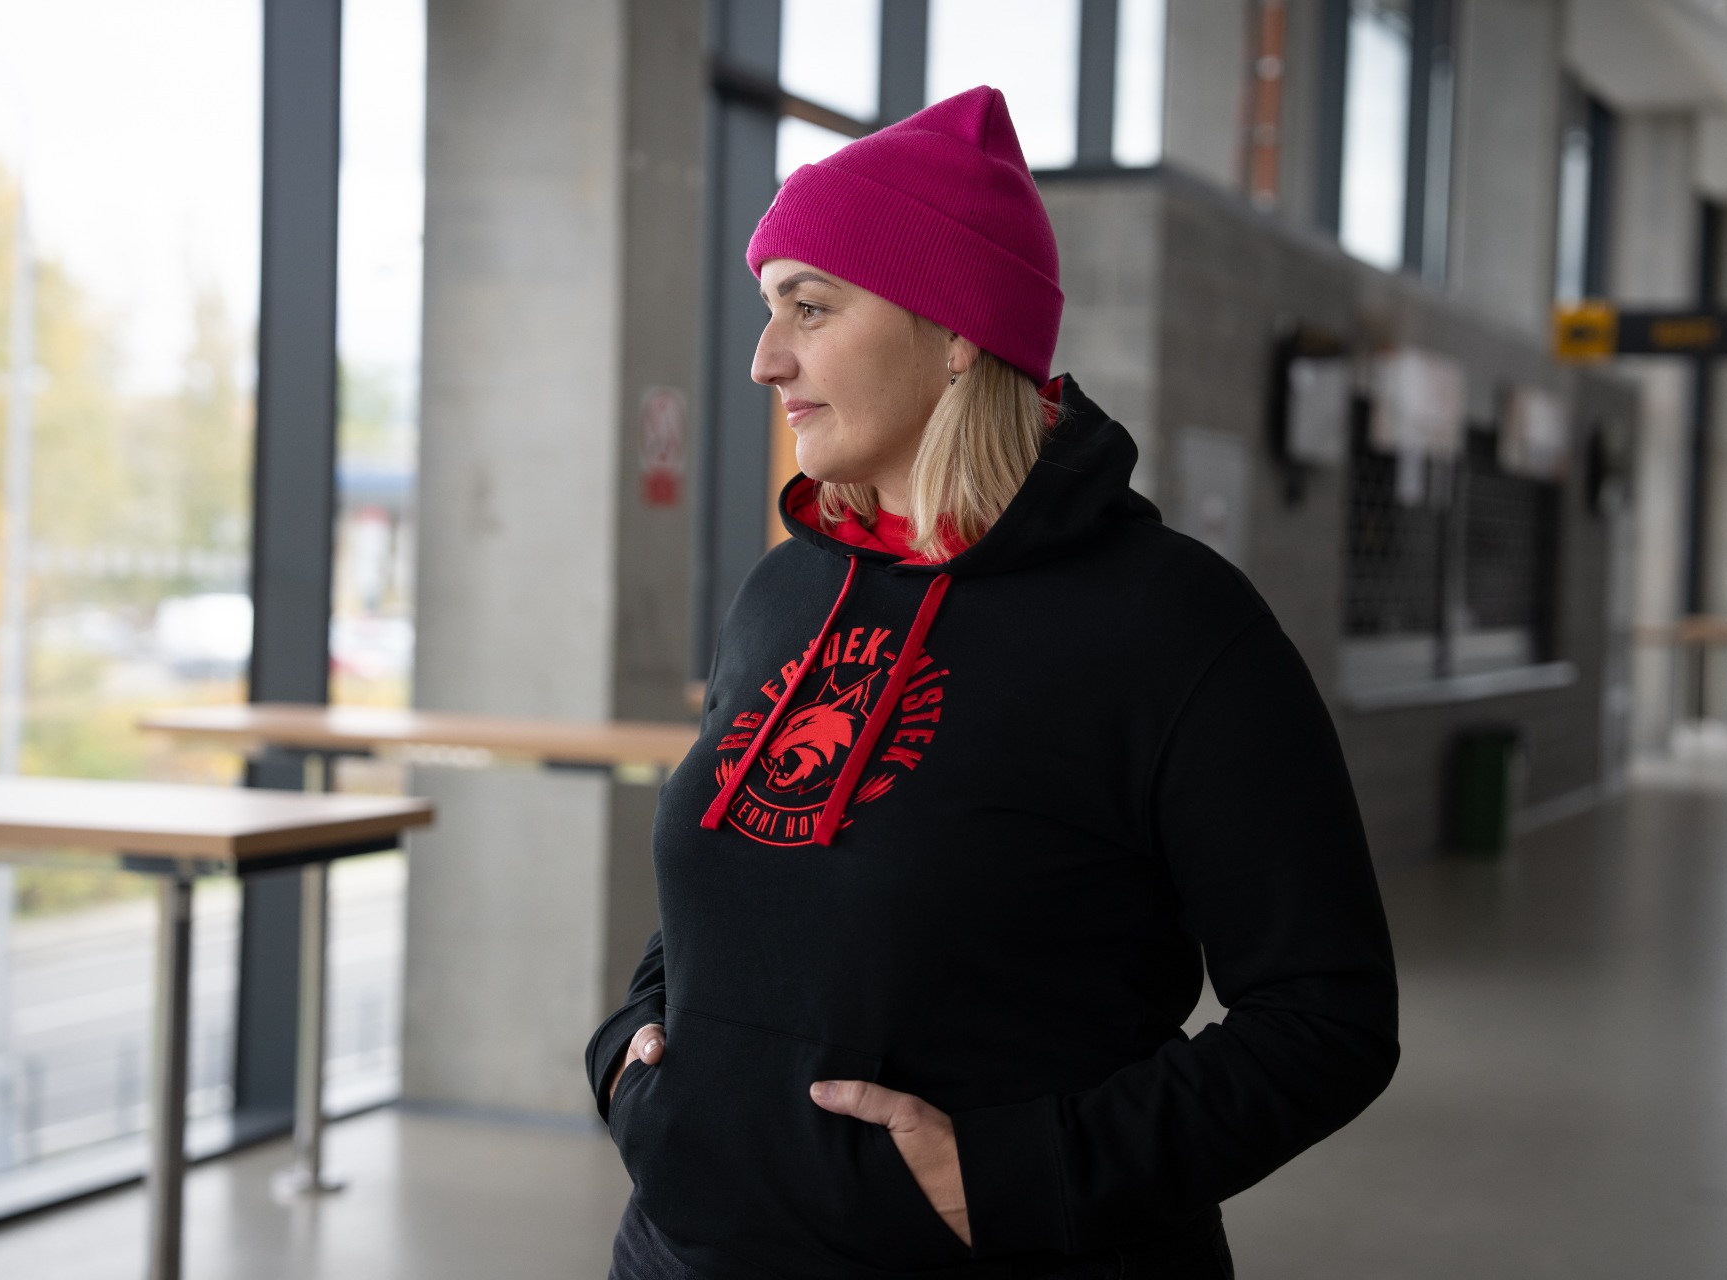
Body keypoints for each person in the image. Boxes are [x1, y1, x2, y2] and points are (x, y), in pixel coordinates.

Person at [587, 85, 1398, 1280]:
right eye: (768, 309)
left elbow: (1328, 1016)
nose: (766, 358)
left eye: (811, 306)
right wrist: (636, 1049)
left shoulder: (1173, 625)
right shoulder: (786, 589)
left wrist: (1028, 1172)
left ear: (957, 328)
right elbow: (736, 875)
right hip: (678, 1252)